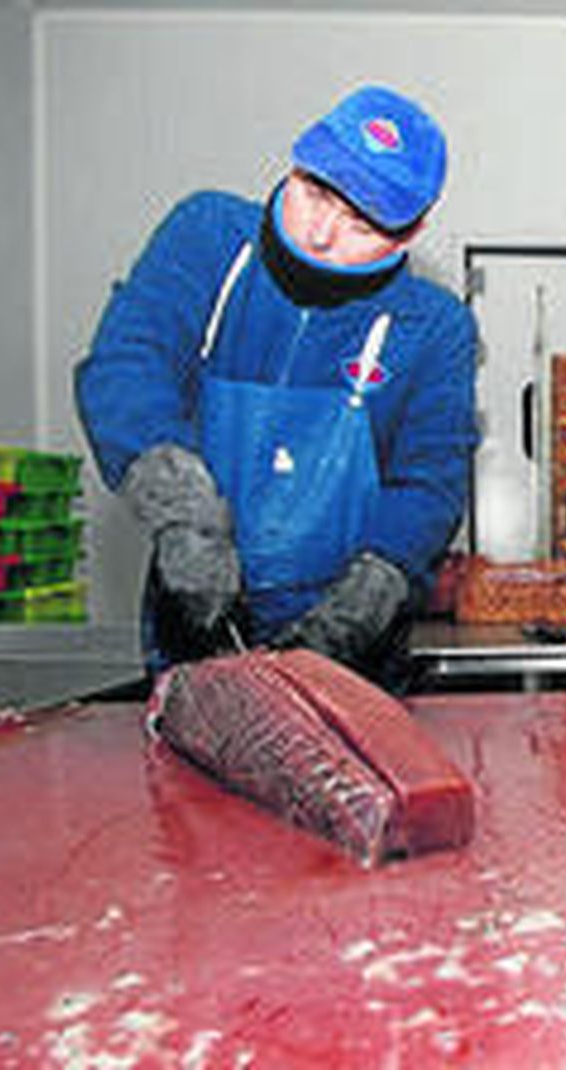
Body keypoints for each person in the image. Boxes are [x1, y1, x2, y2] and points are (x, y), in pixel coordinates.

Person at [75, 85, 479, 688]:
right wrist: (185, 513)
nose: (320, 234)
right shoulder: (206, 237)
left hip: (351, 650)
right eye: (315, 193)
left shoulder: (436, 327)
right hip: (193, 620)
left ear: (409, 233)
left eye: (361, 223)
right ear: (296, 164)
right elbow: (127, 367)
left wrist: (370, 594)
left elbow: (430, 479)